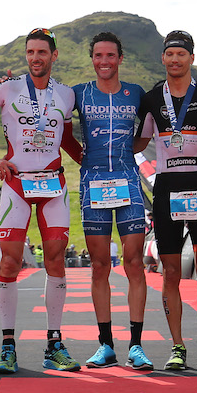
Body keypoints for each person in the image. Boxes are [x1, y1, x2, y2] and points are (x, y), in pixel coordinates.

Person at [0, 27, 80, 375]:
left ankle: (54, 345)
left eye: (42, 52)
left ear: (54, 56)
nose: (35, 58)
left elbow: (69, 140)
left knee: (56, 260)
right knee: (10, 265)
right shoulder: (7, 88)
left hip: (53, 185)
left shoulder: (67, 94)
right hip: (15, 185)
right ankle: (8, 346)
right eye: (30, 52)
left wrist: (97, 161)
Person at [135, 30, 197, 371]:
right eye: (170, 54)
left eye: (181, 54)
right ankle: (177, 347)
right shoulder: (150, 99)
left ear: (191, 58)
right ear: (163, 58)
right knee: (171, 271)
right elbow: (139, 142)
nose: (175, 59)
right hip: (166, 190)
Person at [64, 32, 154, 371]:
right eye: (99, 56)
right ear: (92, 59)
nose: (105, 61)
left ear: (120, 58)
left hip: (129, 183)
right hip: (93, 185)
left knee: (133, 263)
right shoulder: (78, 93)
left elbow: (149, 127)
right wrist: (85, 159)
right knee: (100, 266)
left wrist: (128, 153)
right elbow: (62, 132)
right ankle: (106, 345)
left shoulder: (136, 93)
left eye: (110, 56)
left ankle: (136, 346)